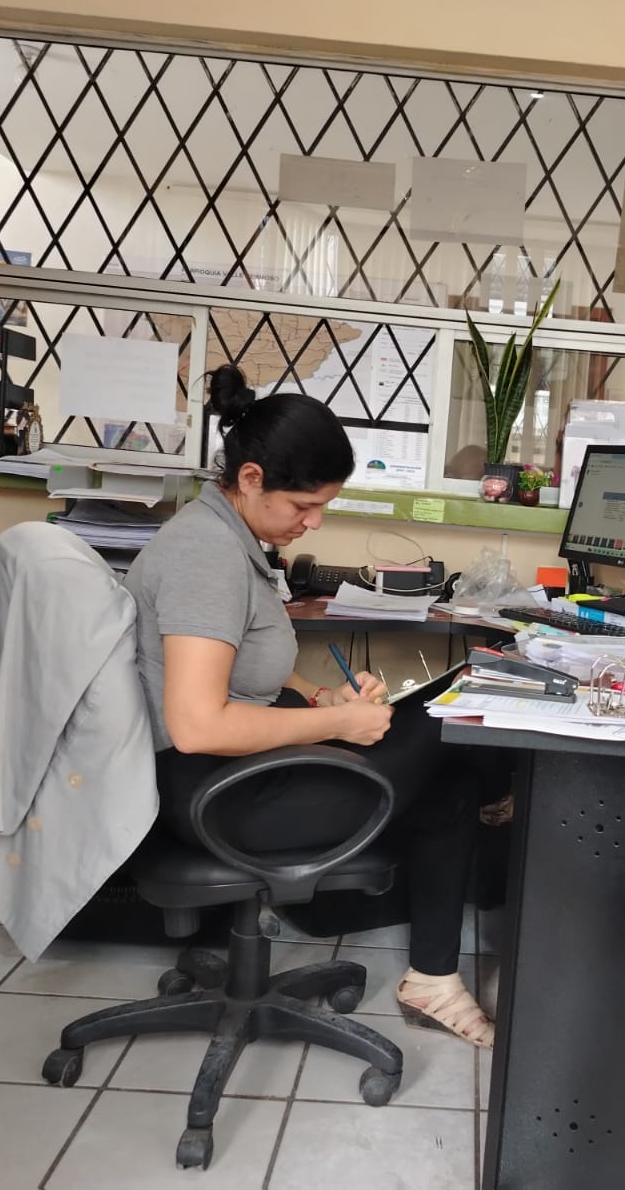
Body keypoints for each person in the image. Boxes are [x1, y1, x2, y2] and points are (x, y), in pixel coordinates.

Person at [123, 365, 494, 1048]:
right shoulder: (206, 555)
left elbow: (244, 666)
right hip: (220, 797)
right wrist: (338, 722)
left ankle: (433, 980)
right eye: (303, 505)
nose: (315, 522)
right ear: (252, 477)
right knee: (462, 711)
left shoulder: (230, 538)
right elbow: (198, 724)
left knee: (455, 775)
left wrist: (323, 697)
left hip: (239, 773)